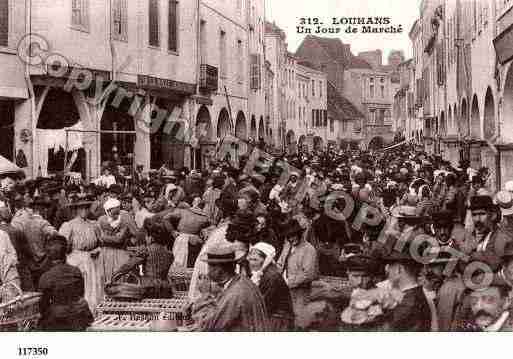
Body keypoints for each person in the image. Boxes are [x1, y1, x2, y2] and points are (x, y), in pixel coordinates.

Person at [199, 242, 269, 331]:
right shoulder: (243, 281)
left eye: (209, 267)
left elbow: (207, 325)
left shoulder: (235, 293)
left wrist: (205, 295)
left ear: (219, 269)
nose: (207, 272)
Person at [38, 235, 94, 331]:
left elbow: (43, 304)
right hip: (79, 315)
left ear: (48, 255)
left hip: (59, 318)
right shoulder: (76, 271)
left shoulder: (46, 277)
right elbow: (81, 293)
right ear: (65, 253)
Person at [58, 196, 102, 313]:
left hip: (91, 259)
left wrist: (97, 250)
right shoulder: (69, 225)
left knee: (91, 287)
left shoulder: (93, 224)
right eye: (81, 208)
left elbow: (100, 242)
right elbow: (62, 245)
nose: (84, 211)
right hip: (75, 258)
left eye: (86, 208)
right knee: (78, 286)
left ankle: (91, 310)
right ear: (76, 210)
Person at [113, 219, 174, 298]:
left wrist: (115, 275)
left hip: (149, 287)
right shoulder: (169, 253)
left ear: (151, 237)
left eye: (146, 236)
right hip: (165, 288)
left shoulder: (146, 250)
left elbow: (128, 266)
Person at [379, 241, 431, 331]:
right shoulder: (414, 296)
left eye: (390, 266)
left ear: (399, 269)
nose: (387, 270)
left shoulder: (407, 303)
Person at [277, 219, 319, 330]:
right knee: (286, 319)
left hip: (300, 292)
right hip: (285, 291)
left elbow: (309, 274)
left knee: (299, 320)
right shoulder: (287, 246)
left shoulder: (309, 249)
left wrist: (289, 282)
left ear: (299, 234)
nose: (291, 238)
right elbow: (280, 262)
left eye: (293, 235)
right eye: (288, 236)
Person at [248, 242, 294, 331]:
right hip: (271, 315)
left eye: (255, 260)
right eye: (250, 259)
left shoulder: (271, 276)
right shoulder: (261, 274)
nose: (251, 263)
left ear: (265, 260)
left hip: (279, 320)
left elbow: (264, 303)